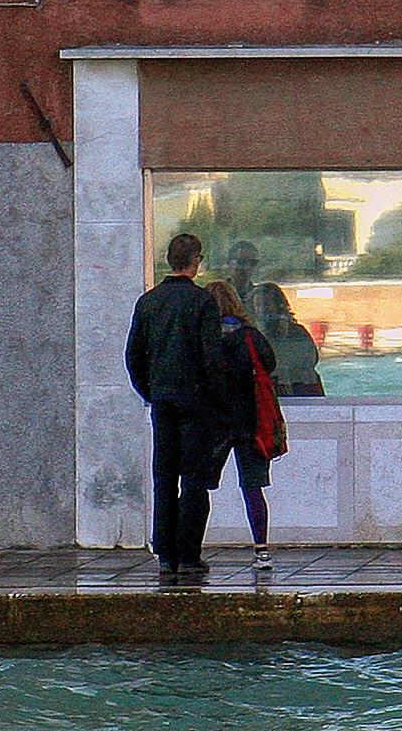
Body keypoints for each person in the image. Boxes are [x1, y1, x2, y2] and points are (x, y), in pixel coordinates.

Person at [125, 233, 227, 576]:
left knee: (164, 477)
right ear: (196, 262)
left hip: (163, 401)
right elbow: (212, 358)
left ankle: (165, 552)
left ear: (169, 261)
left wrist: (150, 392)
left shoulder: (148, 302)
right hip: (196, 401)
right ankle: (188, 553)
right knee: (194, 479)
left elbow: (133, 356)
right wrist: (219, 400)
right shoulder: (202, 302)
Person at [205, 281, 278, 571]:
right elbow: (269, 364)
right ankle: (262, 550)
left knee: (198, 485)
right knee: (253, 487)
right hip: (251, 421)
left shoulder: (204, 337)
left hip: (215, 421)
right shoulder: (250, 336)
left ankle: (189, 549)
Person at [258, 283, 324, 396]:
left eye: (266, 304)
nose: (262, 309)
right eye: (258, 305)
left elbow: (309, 360)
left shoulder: (296, 333)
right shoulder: (254, 335)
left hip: (300, 388)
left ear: (278, 306)